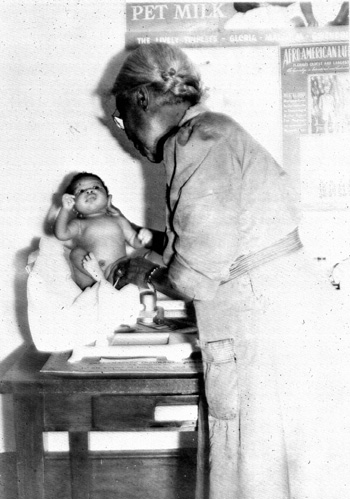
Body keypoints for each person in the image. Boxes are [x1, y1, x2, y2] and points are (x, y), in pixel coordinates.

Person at [107, 43, 350, 499]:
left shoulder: (196, 140)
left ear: (140, 99)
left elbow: (193, 276)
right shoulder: (212, 134)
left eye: (121, 118)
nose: (126, 134)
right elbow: (214, 243)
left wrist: (145, 274)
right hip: (280, 319)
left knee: (261, 478)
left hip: (266, 331)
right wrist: (145, 244)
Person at [54, 172, 153, 289]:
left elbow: (133, 241)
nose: (89, 191)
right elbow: (61, 234)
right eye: (81, 191)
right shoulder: (79, 224)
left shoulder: (118, 220)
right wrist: (65, 209)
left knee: (136, 263)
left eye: (96, 187)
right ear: (74, 206)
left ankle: (107, 283)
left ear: (108, 198)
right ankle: (100, 277)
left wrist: (142, 238)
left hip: (117, 272)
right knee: (75, 253)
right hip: (91, 277)